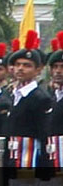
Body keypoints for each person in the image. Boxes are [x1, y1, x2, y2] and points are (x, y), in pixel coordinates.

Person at [7, 30, 52, 172]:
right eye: (18, 64)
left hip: (30, 158)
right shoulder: (13, 94)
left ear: (38, 70)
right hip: (12, 156)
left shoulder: (40, 97)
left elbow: (44, 133)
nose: (20, 69)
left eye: (27, 65)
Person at [46, 32, 63, 169]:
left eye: (62, 67)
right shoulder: (52, 96)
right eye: (55, 67)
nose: (58, 71)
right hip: (54, 155)